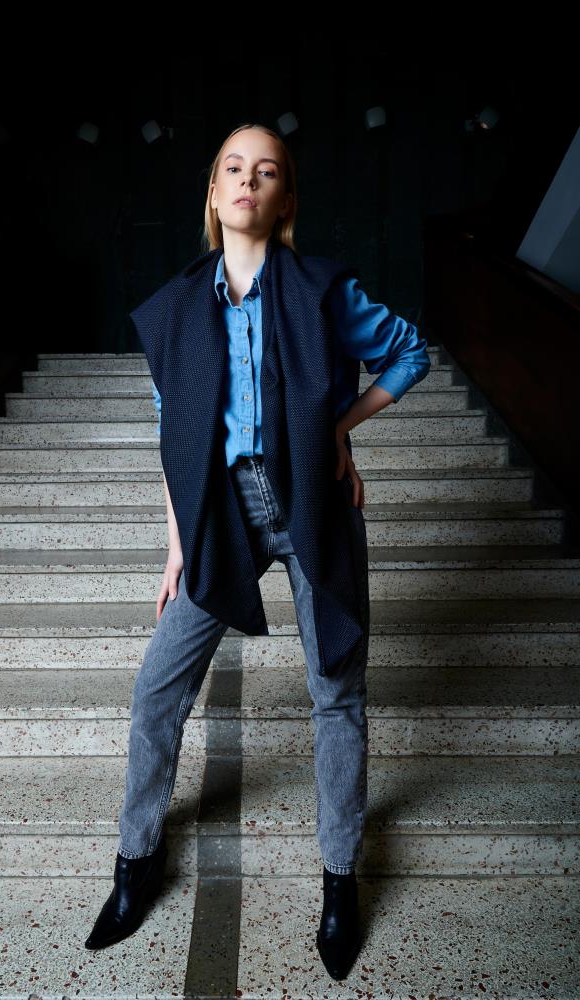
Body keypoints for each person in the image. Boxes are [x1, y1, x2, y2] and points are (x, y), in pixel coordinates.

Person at [85, 123, 431, 979]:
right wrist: (174, 548)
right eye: (232, 169)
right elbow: (175, 434)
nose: (247, 180)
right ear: (212, 195)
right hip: (221, 514)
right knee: (156, 688)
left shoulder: (319, 291)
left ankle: (340, 882)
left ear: (283, 199)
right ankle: (135, 865)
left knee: (335, 693)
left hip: (311, 501)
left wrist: (335, 429)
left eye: (266, 170)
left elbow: (408, 352)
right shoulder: (172, 310)